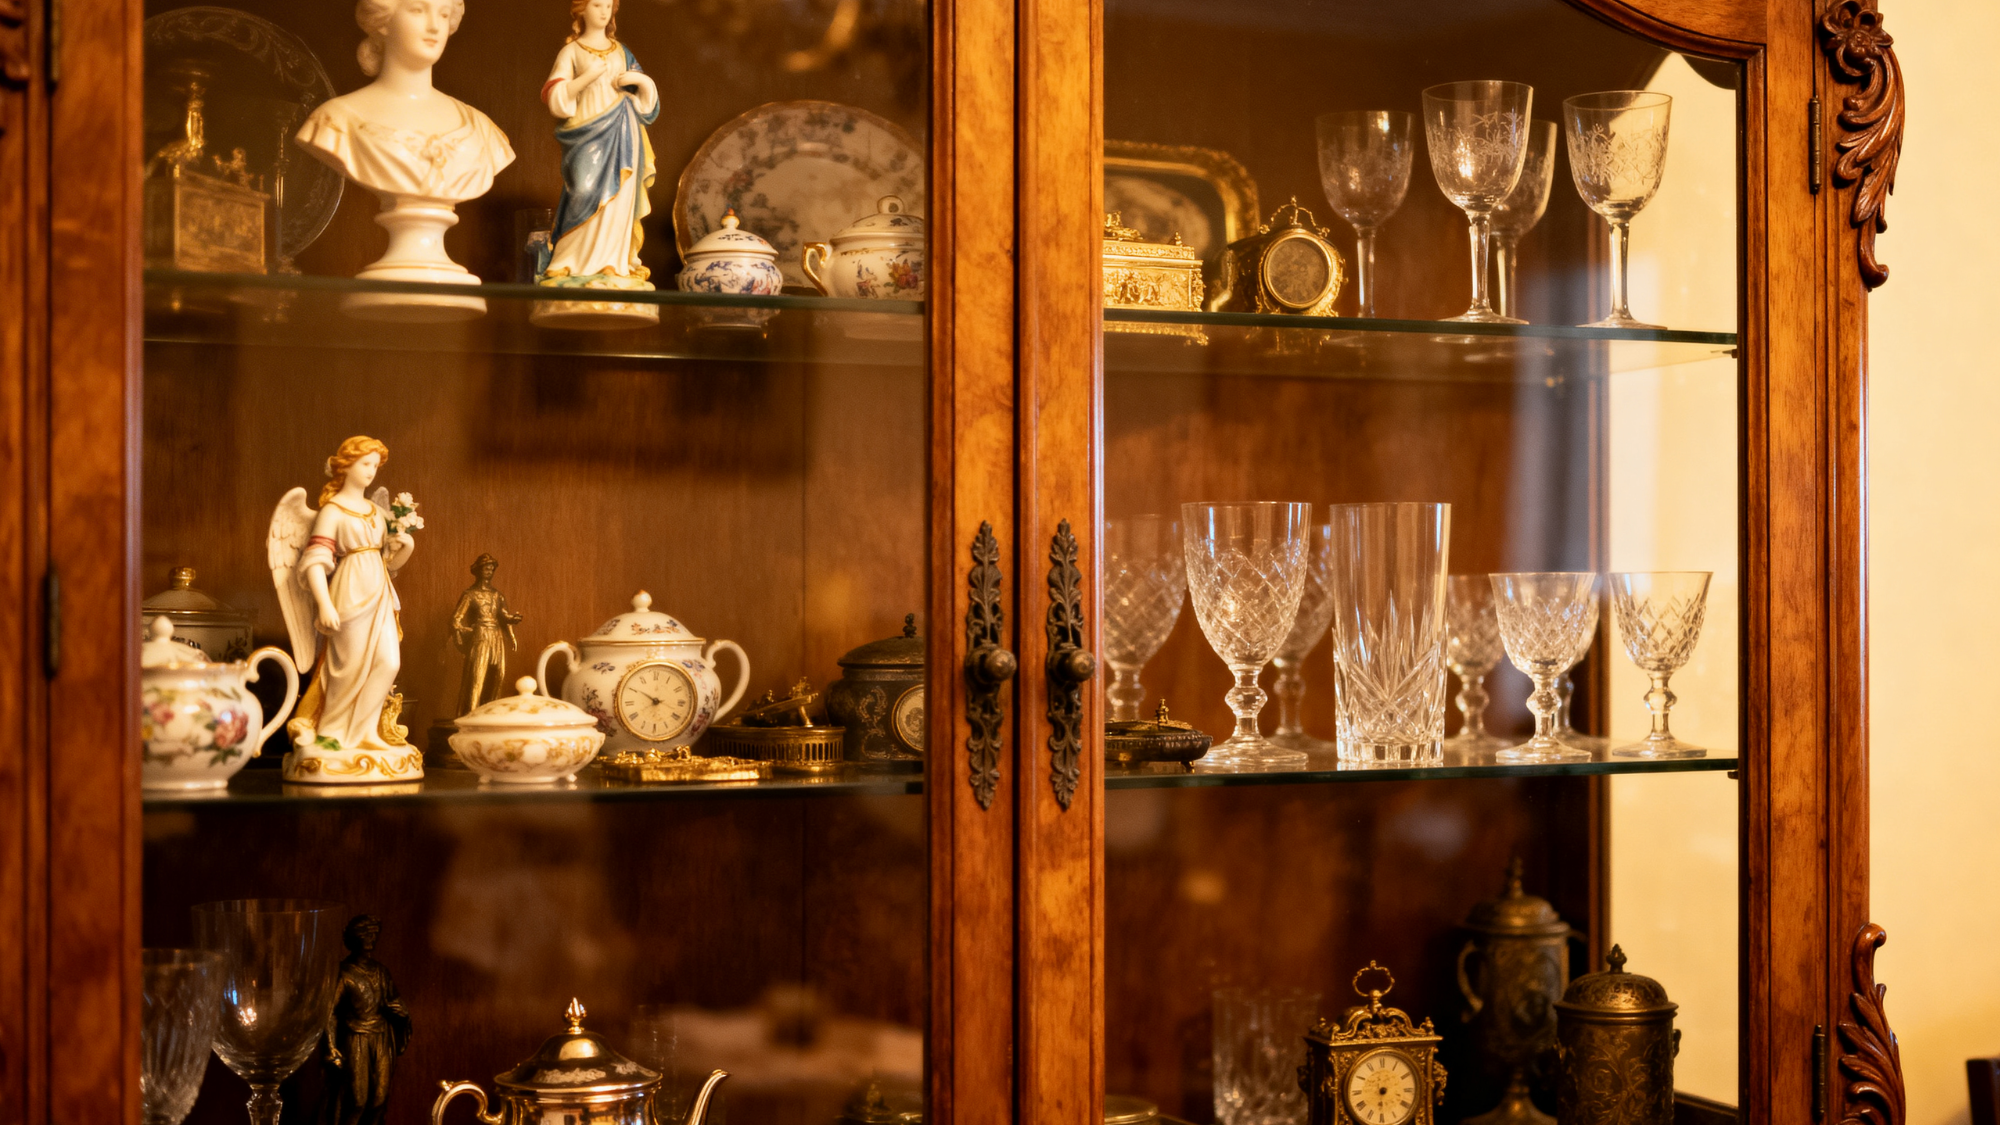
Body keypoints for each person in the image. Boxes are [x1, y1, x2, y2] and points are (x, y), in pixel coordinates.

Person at [321, 915, 412, 1125]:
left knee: (380, 1099)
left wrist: (400, 1011)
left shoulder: (381, 972)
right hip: (356, 1038)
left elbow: (392, 1001)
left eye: (373, 934)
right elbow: (329, 1012)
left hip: (380, 1037)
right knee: (358, 1101)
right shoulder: (344, 973)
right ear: (354, 939)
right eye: (365, 934)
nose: (370, 938)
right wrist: (332, 1047)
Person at [451, 553, 522, 715]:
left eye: (492, 568)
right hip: (481, 637)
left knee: (498, 675)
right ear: (478, 571)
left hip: (496, 637)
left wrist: (513, 620)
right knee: (478, 676)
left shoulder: (497, 595)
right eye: (486, 568)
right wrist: (468, 632)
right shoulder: (470, 594)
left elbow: (504, 616)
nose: (489, 571)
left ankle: (490, 715)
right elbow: (456, 619)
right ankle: (471, 715)